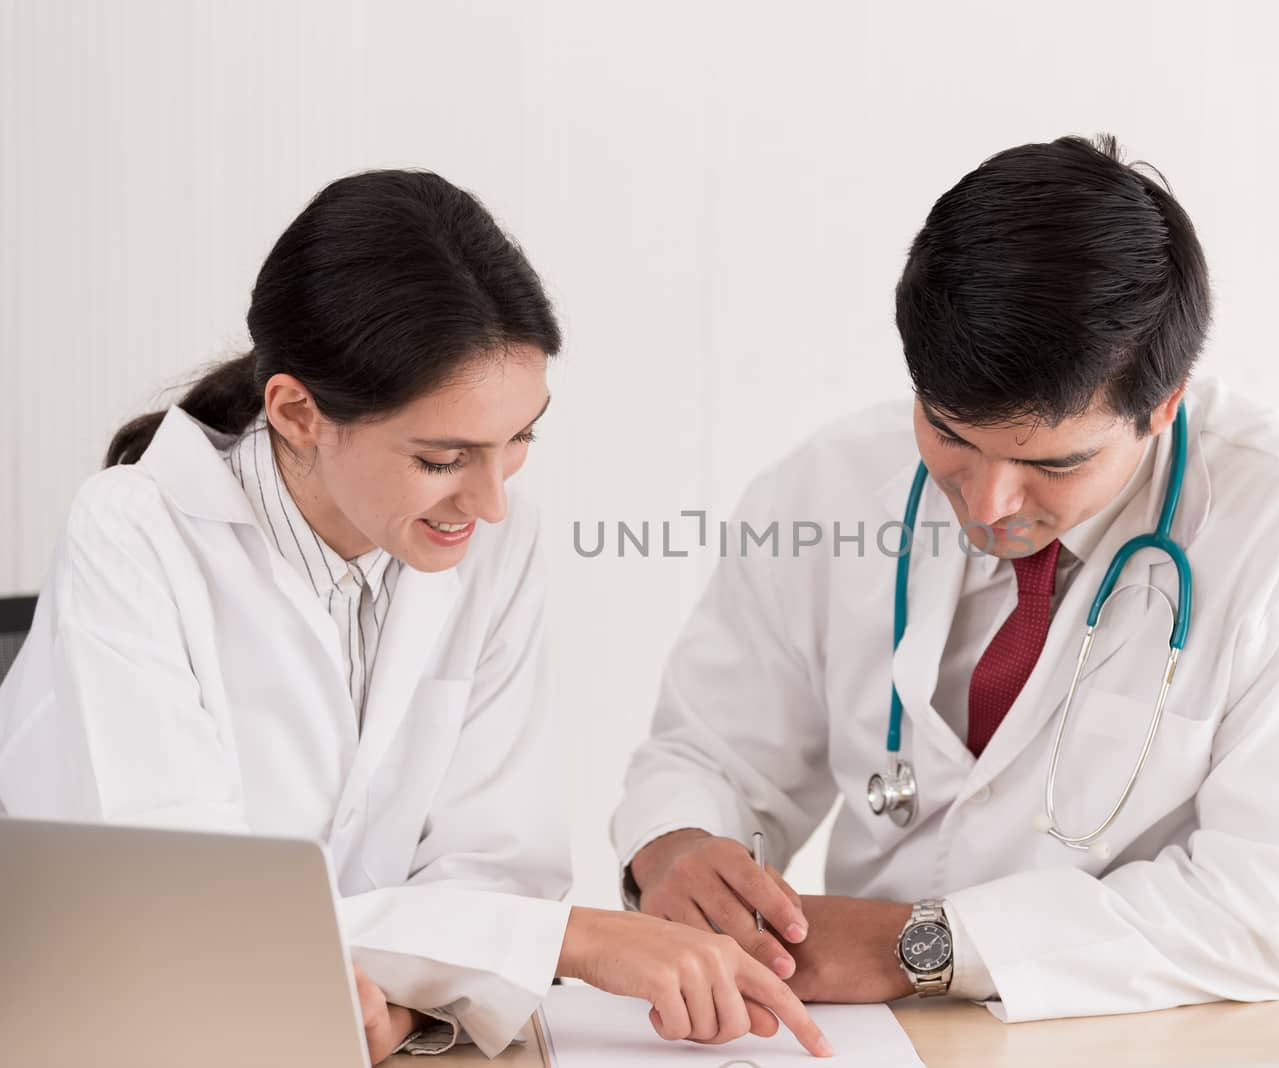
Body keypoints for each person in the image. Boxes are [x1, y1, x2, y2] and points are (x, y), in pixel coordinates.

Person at [0, 171, 829, 1061]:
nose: (491, 500)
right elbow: (192, 912)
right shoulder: (132, 535)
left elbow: (499, 866)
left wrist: (405, 1000)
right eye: (443, 457)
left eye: (520, 440)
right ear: (298, 412)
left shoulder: (492, 543)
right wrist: (572, 941)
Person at [612, 135, 1279, 1022]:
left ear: (1165, 403)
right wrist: (676, 844)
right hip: (877, 1039)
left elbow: (1271, 914)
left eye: (1054, 464)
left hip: (1153, 1037)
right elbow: (712, 753)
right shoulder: (828, 485)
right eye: (950, 434)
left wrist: (912, 946)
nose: (989, 502)